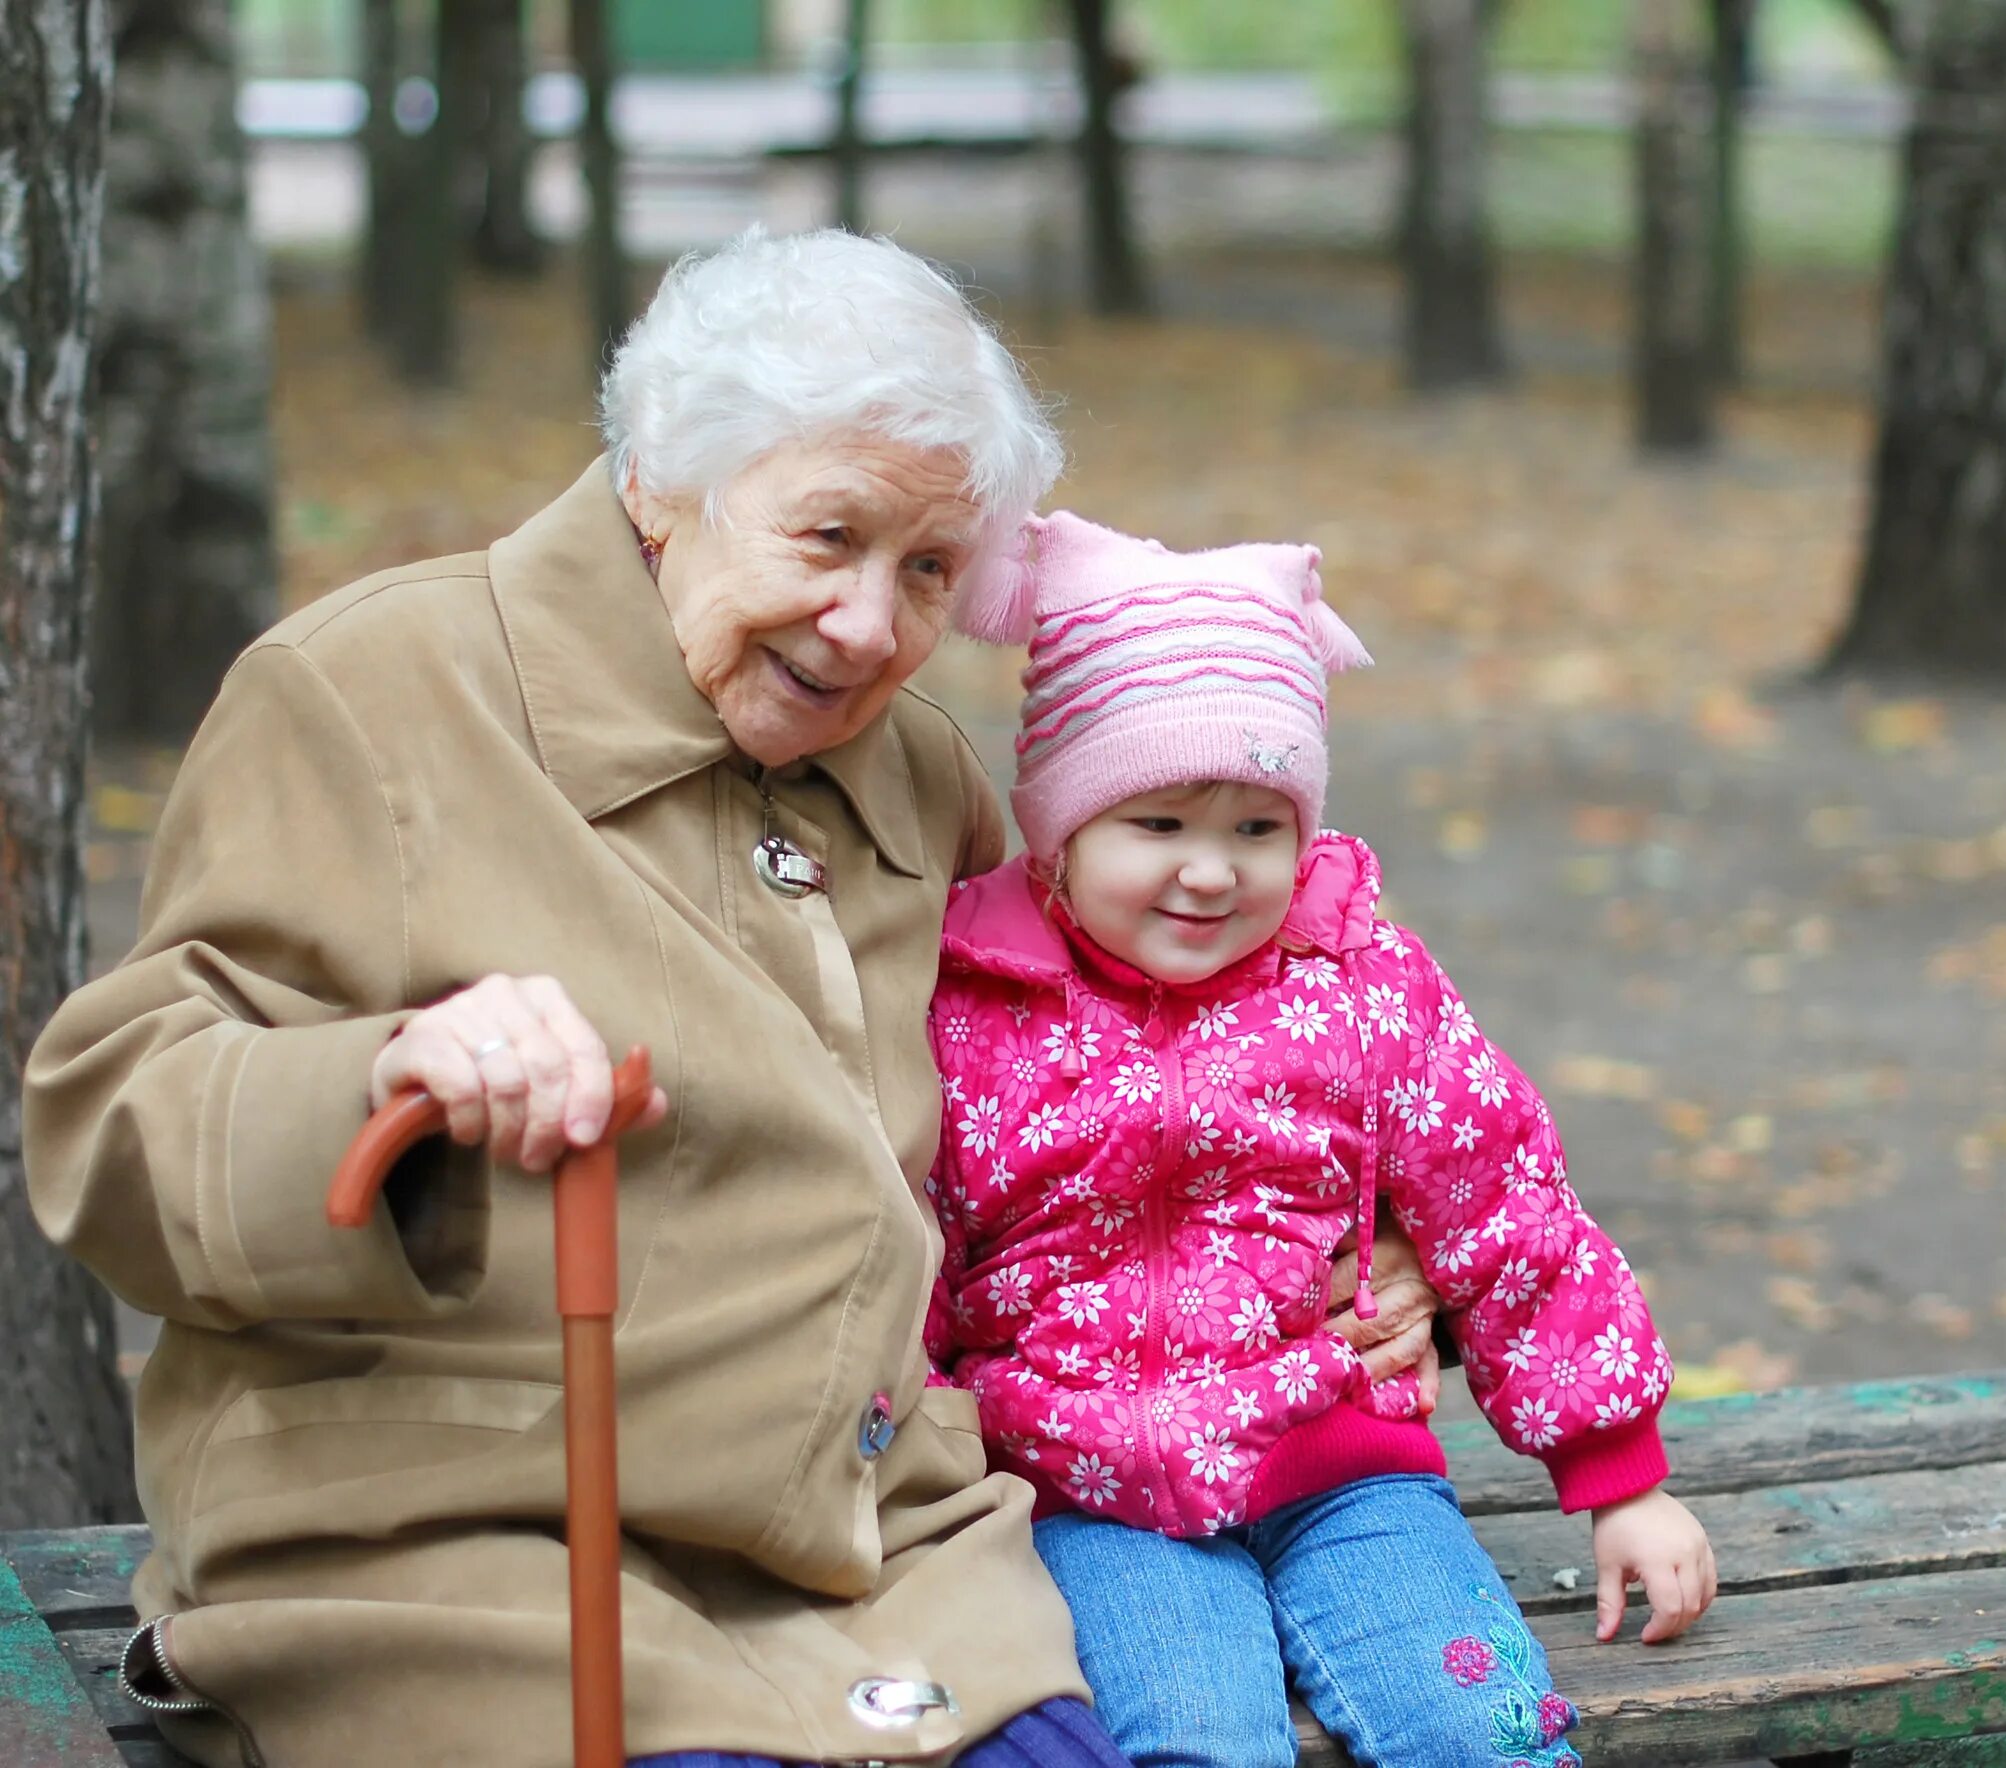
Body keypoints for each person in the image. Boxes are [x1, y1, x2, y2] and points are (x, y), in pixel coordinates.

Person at [24, 229, 1439, 1768]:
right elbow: (113, 1127)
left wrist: (1349, 1248)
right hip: (464, 1552)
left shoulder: (916, 773)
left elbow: (1127, 1072)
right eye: (827, 537)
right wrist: (385, 1076)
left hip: (882, 1556)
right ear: (657, 480)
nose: (870, 625)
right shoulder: (372, 695)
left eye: (929, 570)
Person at [922, 512, 1719, 1768]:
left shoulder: (1355, 982)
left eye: (1257, 827)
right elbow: (910, 1247)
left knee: (1482, 1727)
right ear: (1058, 831)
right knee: (1193, 1740)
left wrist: (1618, 1475)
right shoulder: (976, 1009)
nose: (1210, 872)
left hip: (1344, 1468)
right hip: (1092, 1491)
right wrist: (913, 1463)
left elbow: (1504, 1202)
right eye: (1157, 823)